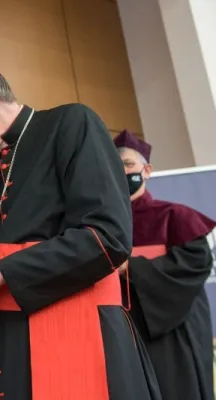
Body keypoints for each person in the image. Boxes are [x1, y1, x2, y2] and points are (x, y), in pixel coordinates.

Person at [0, 54, 162, 400]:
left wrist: (1, 272)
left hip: (77, 335)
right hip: (11, 341)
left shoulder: (70, 124)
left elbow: (107, 237)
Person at [114, 130, 216, 400]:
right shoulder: (102, 222)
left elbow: (195, 263)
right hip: (121, 330)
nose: (121, 172)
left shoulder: (174, 215)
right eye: (114, 165)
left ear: (146, 170)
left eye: (127, 164)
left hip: (172, 328)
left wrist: (130, 268)